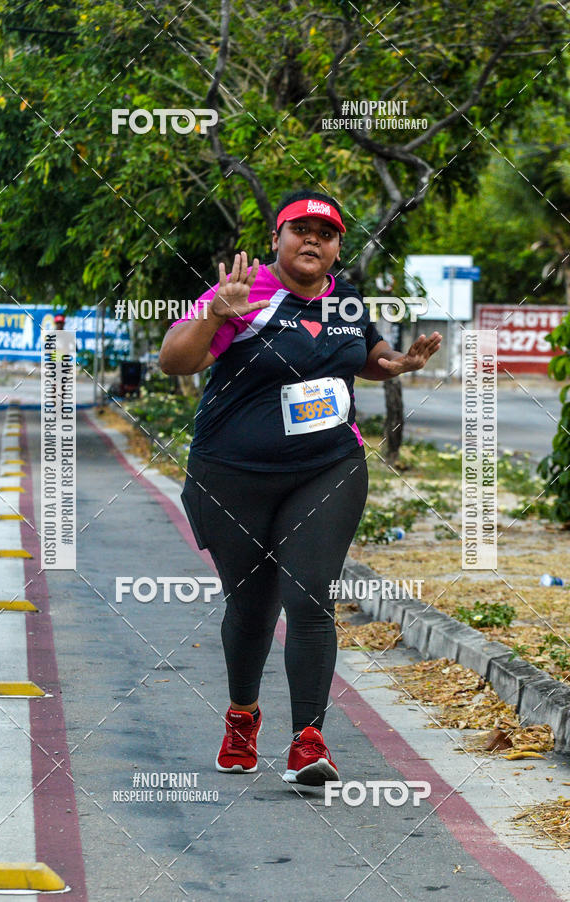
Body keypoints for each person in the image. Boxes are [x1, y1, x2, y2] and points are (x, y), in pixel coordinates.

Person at [159, 189, 441, 786]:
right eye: (299, 230)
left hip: (327, 466)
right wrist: (217, 314)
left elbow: (364, 352)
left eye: (326, 233)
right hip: (232, 475)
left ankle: (308, 741)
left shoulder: (344, 299)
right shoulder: (242, 293)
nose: (312, 240)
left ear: (338, 247)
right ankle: (241, 717)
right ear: (276, 240)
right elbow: (173, 362)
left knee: (310, 595)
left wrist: (395, 362)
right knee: (252, 605)